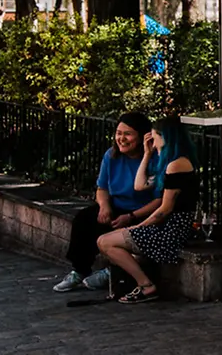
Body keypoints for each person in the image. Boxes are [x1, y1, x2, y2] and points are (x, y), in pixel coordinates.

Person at [96, 118, 203, 304]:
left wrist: (137, 227)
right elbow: (139, 186)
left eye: (153, 138)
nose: (151, 142)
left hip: (172, 228)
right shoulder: (166, 163)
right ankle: (142, 283)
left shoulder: (177, 165)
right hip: (165, 225)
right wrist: (146, 154)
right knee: (106, 241)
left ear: (164, 137)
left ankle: (146, 286)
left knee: (105, 242)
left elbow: (165, 209)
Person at [53, 113, 161, 292]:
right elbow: (102, 188)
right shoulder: (111, 156)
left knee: (123, 235)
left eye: (128, 134)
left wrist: (131, 216)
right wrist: (104, 206)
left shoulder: (154, 159)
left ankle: (113, 271)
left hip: (141, 213)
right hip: (117, 207)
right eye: (118, 133)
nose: (121, 139)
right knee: (84, 220)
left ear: (143, 136)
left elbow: (159, 200)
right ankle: (79, 270)